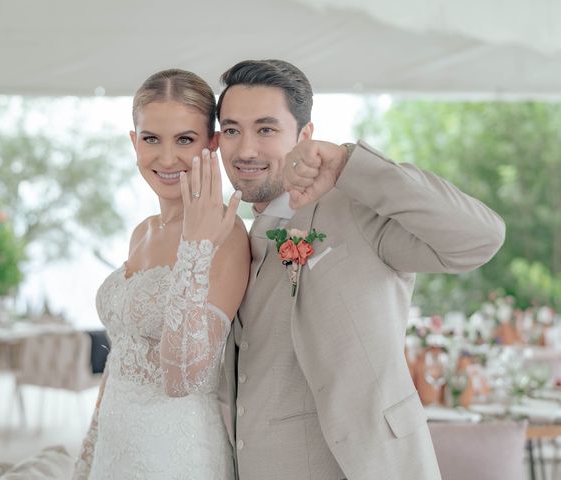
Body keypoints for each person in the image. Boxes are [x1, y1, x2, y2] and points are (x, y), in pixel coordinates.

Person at [216, 59, 505, 480]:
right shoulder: (230, 243)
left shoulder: (353, 210)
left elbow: (479, 238)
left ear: (305, 135)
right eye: (231, 130)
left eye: (266, 129)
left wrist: (351, 166)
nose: (245, 150)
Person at [72, 69, 250, 479]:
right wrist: (90, 452)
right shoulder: (142, 231)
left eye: (185, 140)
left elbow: (184, 376)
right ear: (134, 143)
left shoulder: (227, 234)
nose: (167, 158)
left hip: (175, 455)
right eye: (151, 138)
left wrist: (195, 250)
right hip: (115, 447)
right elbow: (122, 355)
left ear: (213, 143)